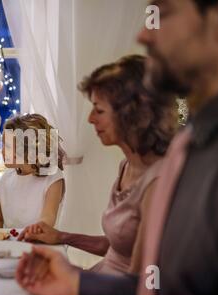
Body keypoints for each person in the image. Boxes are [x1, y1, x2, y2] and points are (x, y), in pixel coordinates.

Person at [16, 0, 218, 295]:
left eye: (163, 12)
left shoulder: (173, 167)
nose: (143, 34)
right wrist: (67, 255)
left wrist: (77, 282)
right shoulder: (189, 143)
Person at [19, 55, 177, 275]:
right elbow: (118, 250)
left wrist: (71, 277)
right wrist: (61, 237)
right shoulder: (126, 166)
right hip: (102, 279)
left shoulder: (158, 179)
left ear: (131, 115)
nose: (90, 119)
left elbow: (141, 279)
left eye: (99, 110)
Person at [0, 113, 66, 229]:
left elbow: (47, 221)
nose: (2, 151)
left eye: (8, 146)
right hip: (10, 244)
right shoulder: (7, 177)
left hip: (40, 245)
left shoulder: (53, 178)